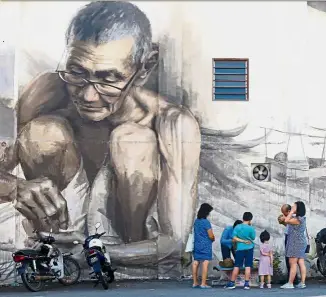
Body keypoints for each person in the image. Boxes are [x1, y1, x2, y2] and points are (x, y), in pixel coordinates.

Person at [0, 1, 201, 272]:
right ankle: (50, 254)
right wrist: (15, 186)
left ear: (145, 67)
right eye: (77, 72)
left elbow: (172, 243)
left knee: (132, 142)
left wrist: (93, 249)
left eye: (109, 79)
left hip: (126, 246)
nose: (88, 95)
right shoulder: (46, 93)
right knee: (43, 133)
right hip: (59, 228)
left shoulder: (173, 123)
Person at [225, 212, 256, 290]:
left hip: (240, 249)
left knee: (237, 265)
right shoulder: (251, 228)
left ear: (243, 218)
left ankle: (232, 283)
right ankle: (246, 284)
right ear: (250, 219)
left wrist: (242, 241)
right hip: (249, 248)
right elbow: (253, 238)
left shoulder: (238, 227)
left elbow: (234, 237)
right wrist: (246, 240)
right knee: (248, 266)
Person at [280, 201, 307, 289]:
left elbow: (287, 220)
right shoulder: (301, 218)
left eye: (294, 206)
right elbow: (286, 222)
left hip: (295, 242)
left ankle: (290, 283)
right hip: (300, 242)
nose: (292, 207)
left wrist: (291, 211)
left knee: (293, 262)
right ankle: (302, 283)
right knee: (300, 262)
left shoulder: (297, 219)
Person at [192, 203, 215, 289]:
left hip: (197, 244)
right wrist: (213, 239)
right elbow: (211, 235)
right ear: (206, 212)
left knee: (196, 262)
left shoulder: (196, 221)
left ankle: (194, 282)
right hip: (205, 245)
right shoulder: (206, 222)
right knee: (205, 263)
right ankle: (203, 283)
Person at [279, 204, 299, 285]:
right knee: (288, 259)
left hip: (292, 239)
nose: (283, 214)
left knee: (291, 260)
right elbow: (288, 226)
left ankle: (294, 279)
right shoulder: (289, 218)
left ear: (288, 211)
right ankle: (291, 278)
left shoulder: (293, 217)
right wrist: (283, 222)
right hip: (288, 237)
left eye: (284, 213)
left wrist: (284, 219)